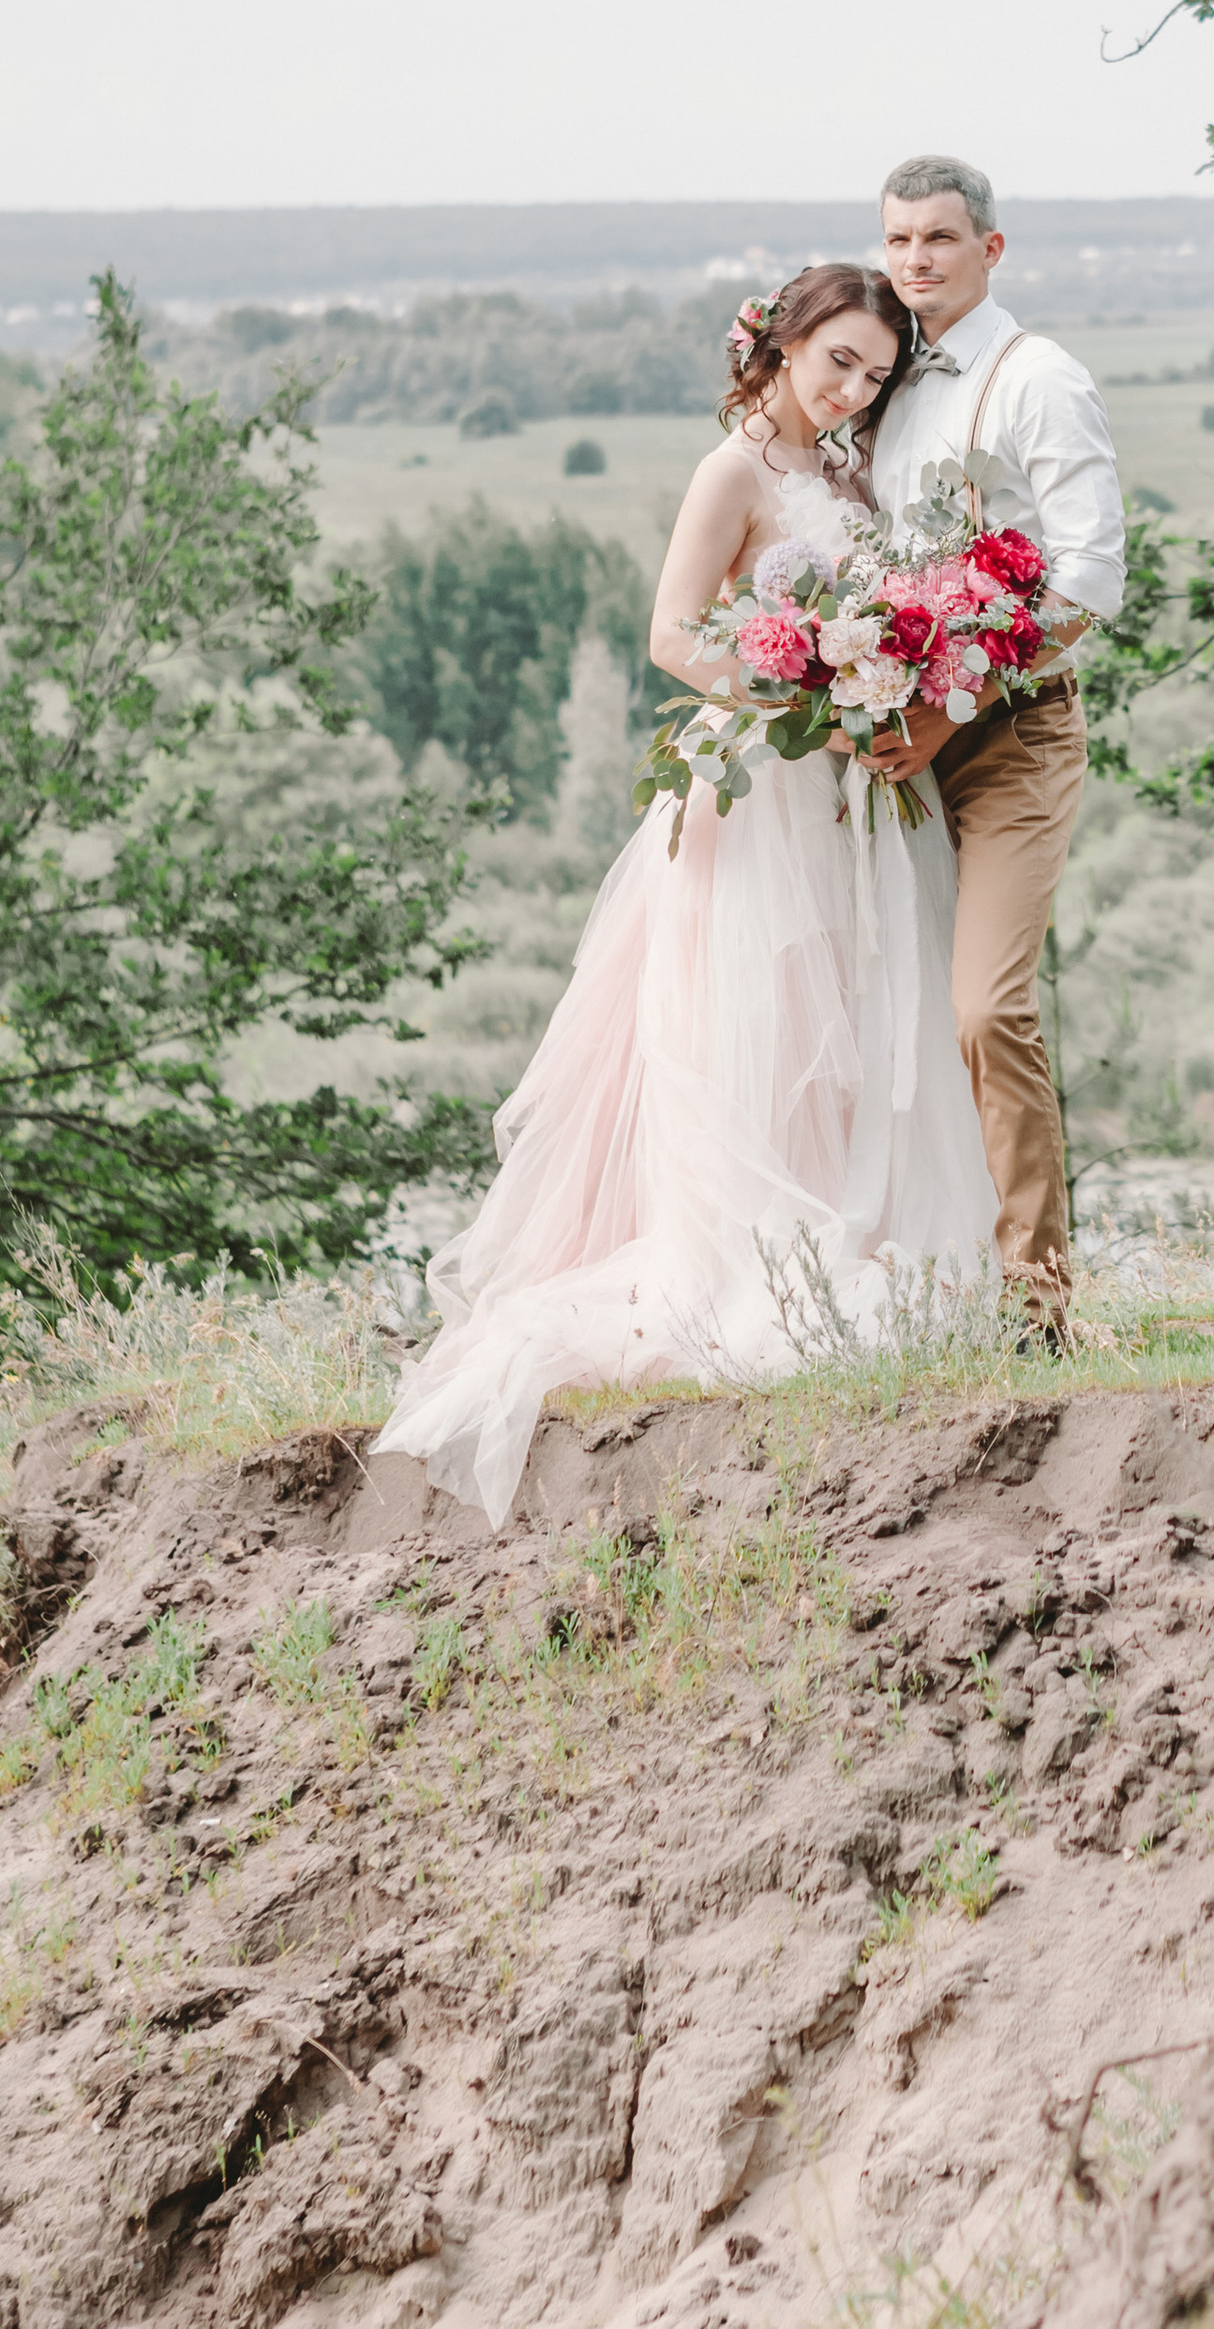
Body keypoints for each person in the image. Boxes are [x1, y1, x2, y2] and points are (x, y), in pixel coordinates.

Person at [376, 264, 997, 1525]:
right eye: (837, 362)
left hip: (850, 783)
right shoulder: (734, 473)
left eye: (875, 374)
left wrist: (882, 681)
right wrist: (804, 702)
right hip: (765, 784)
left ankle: (855, 1232)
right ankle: (751, 1258)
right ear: (780, 346)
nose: (853, 389)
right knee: (764, 1020)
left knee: (863, 1008)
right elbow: (672, 635)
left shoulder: (840, 475)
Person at [864, 157, 1125, 1339]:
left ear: (992, 248)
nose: (916, 261)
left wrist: (956, 705)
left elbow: (1089, 582)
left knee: (985, 1010)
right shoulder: (886, 382)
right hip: (896, 740)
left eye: (939, 240)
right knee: (881, 1014)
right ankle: (904, 1287)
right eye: (899, 241)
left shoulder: (1041, 381)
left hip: (1013, 734)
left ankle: (1037, 1303)